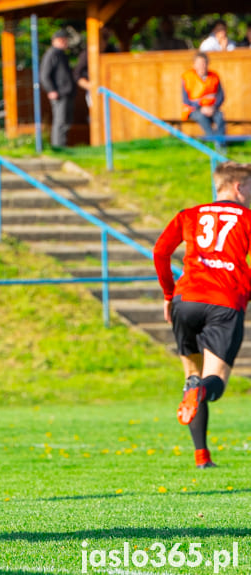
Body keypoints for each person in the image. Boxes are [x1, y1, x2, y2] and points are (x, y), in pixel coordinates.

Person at [154, 162, 251, 469]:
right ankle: (200, 394)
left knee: (192, 377)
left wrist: (169, 295)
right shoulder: (247, 218)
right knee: (214, 382)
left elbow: (160, 252)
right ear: (238, 187)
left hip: (186, 298)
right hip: (223, 300)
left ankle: (201, 456)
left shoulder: (190, 214)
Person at [40, 29, 75, 148]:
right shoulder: (52, 54)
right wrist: (51, 90)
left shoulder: (62, 54)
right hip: (59, 93)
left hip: (66, 92)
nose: (66, 43)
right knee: (60, 122)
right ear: (58, 40)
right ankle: (58, 146)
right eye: (64, 40)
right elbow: (44, 75)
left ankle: (62, 145)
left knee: (66, 121)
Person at [181, 52, 225, 142]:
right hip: (194, 109)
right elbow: (186, 100)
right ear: (194, 65)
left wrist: (213, 107)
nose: (202, 66)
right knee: (202, 117)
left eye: (204, 63)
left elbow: (221, 96)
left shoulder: (214, 76)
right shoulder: (187, 77)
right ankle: (214, 141)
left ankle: (221, 145)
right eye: (200, 63)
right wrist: (201, 108)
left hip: (212, 108)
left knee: (219, 116)